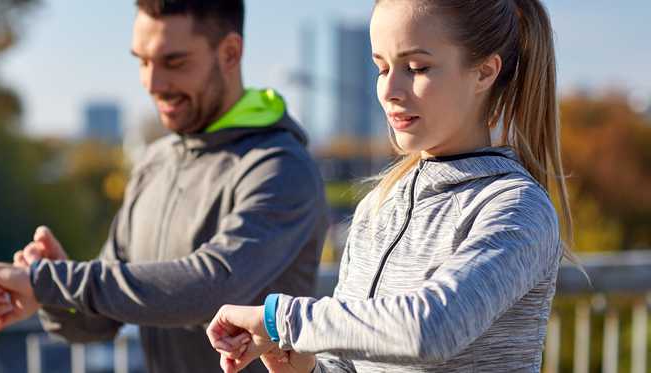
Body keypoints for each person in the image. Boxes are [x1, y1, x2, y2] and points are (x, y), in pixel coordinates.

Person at [207, 0, 577, 372]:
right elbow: (348, 365)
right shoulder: (379, 207)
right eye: (382, 68)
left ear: (484, 72)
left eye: (417, 68)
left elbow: (429, 330)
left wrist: (282, 320)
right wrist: (304, 367)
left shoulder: (516, 206)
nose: (389, 90)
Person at [0, 1, 329, 372]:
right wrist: (54, 294)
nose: (153, 84)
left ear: (230, 53)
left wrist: (55, 281)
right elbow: (99, 322)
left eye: (174, 62)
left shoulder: (281, 168)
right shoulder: (155, 163)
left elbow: (209, 289)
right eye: (142, 61)